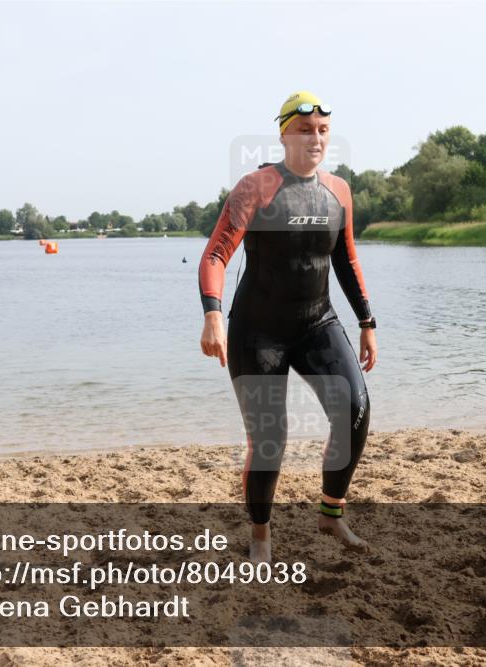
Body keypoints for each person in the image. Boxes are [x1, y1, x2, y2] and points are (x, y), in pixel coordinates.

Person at [198, 91, 378, 562]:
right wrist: (213, 314)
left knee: (355, 409)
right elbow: (217, 254)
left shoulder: (338, 190)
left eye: (322, 130)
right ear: (283, 134)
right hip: (258, 330)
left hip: (318, 320)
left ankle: (331, 514)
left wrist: (366, 320)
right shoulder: (255, 187)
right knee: (270, 436)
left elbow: (346, 258)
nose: (314, 138)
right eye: (304, 130)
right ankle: (261, 538)